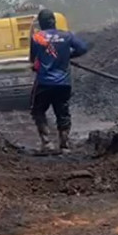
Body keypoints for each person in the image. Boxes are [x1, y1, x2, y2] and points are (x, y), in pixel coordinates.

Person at [30, 9, 89, 151]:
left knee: (37, 110)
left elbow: (33, 60)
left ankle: (46, 143)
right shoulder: (66, 35)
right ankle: (64, 144)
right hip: (63, 83)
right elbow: (83, 48)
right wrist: (69, 56)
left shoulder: (37, 37)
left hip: (44, 82)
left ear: (41, 23)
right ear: (54, 21)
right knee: (62, 112)